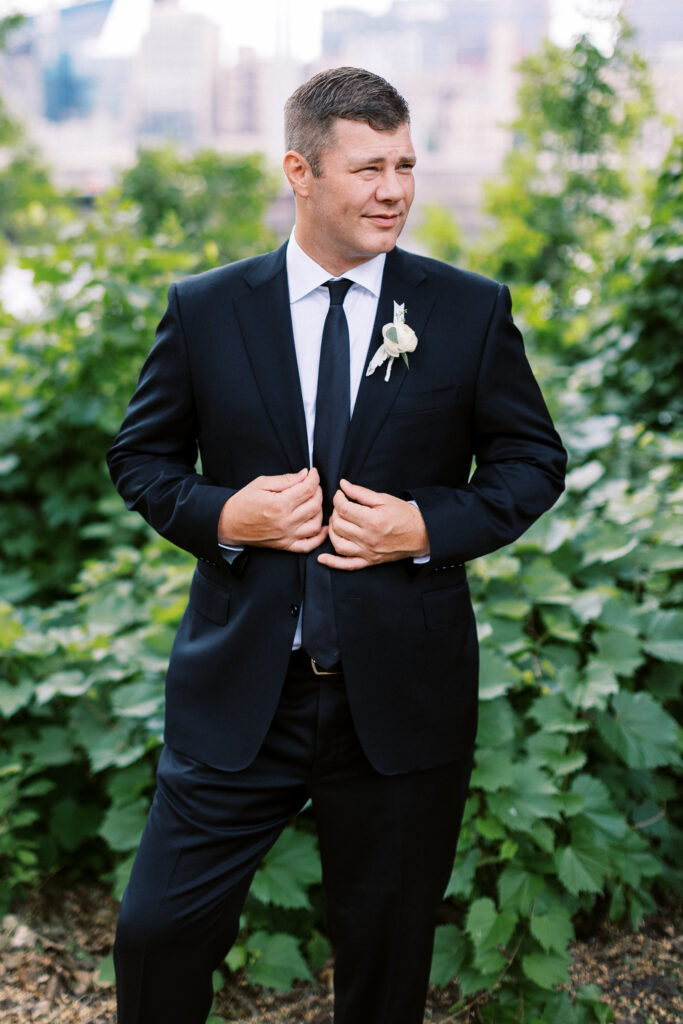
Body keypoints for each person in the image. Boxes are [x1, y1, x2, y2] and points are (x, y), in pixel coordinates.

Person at [107, 66, 566, 1024]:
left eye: (404, 165)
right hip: (240, 693)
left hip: (398, 695)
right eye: (366, 169)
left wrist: (427, 526)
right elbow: (142, 458)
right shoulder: (205, 308)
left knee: (387, 963)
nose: (393, 190)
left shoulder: (467, 309)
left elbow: (530, 462)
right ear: (299, 172)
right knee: (156, 936)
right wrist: (226, 517)